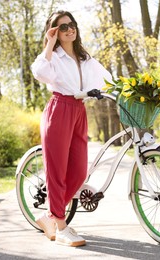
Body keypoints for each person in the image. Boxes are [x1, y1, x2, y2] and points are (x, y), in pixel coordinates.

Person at [31, 10, 112, 247]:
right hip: (59, 109)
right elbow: (40, 72)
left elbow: (107, 79)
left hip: (79, 110)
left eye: (72, 25)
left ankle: (49, 217)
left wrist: (129, 91)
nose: (70, 29)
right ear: (55, 32)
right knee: (56, 172)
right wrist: (49, 43)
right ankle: (62, 226)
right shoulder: (53, 56)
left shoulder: (85, 58)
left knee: (77, 173)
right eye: (63, 27)